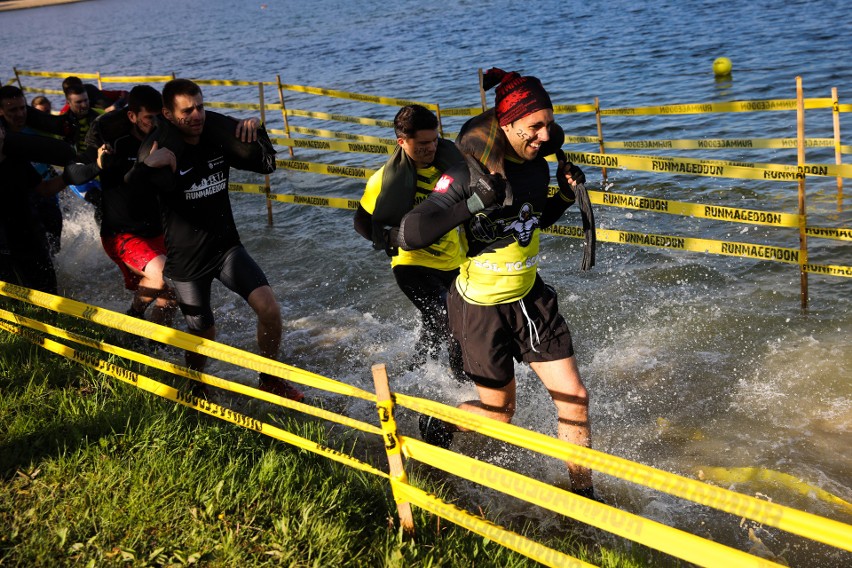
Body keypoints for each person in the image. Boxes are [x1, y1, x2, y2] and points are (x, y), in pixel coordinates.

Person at [396, 68, 598, 498]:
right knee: (501, 414)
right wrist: (472, 202)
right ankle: (442, 420)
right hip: (480, 308)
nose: (546, 135)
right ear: (506, 125)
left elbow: (531, 222)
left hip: (530, 296)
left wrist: (563, 196)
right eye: (535, 127)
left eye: (549, 123)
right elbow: (410, 231)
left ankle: (584, 498)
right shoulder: (468, 170)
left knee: (575, 397)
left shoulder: (538, 167)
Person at [125, 78, 302, 401]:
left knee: (270, 309)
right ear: (167, 113)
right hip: (187, 262)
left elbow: (263, 164)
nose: (197, 115)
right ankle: (195, 384)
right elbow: (132, 199)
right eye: (187, 110)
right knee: (204, 333)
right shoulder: (161, 152)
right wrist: (148, 166)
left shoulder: (214, 141)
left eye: (201, 107)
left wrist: (254, 129)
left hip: (226, 249)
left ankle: (270, 378)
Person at [353, 105, 466, 381]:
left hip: (454, 261)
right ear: (402, 142)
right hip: (411, 263)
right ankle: (461, 382)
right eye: (423, 144)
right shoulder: (384, 180)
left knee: (448, 321)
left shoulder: (450, 167)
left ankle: (416, 372)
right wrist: (390, 238)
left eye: (435, 140)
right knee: (447, 317)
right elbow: (361, 223)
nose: (431, 148)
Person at [64, 85, 177, 327]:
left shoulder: (165, 138)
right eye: (149, 118)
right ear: (132, 116)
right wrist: (98, 165)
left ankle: (154, 343)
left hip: (156, 229)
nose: (155, 123)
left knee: (173, 295)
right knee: (163, 279)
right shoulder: (113, 143)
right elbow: (72, 173)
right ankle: (133, 317)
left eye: (159, 117)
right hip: (121, 233)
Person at [0, 85, 68, 293]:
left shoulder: (21, 146)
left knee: (48, 266)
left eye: (22, 108)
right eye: (13, 110)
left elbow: (44, 189)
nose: (20, 114)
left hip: (31, 219)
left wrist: (72, 176)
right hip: (6, 236)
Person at [59, 76, 128, 115]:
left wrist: (115, 106)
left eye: (85, 100)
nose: (84, 104)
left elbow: (124, 94)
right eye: (78, 102)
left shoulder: (91, 90)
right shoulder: (64, 114)